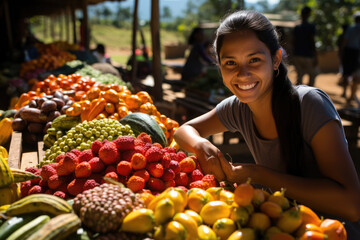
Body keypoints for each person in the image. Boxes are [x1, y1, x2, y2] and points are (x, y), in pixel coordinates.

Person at [174, 10, 360, 238]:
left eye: (254, 60)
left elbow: (351, 205)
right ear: (220, 67)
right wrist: (201, 145)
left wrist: (258, 174)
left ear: (276, 59)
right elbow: (184, 130)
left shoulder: (309, 104)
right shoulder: (237, 107)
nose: (242, 74)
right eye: (230, 62)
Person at [292, 6, 318, 86]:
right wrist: (315, 55)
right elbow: (312, 41)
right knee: (312, 75)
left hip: (297, 54)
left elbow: (292, 41)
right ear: (309, 15)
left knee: (299, 76)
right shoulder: (311, 27)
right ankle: (311, 95)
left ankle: (297, 96)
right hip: (308, 55)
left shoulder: (297, 27)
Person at [340, 12, 360, 104]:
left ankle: (344, 92)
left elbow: (344, 41)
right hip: (356, 53)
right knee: (355, 74)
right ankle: (351, 95)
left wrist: (342, 53)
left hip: (349, 52)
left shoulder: (350, 29)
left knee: (346, 73)